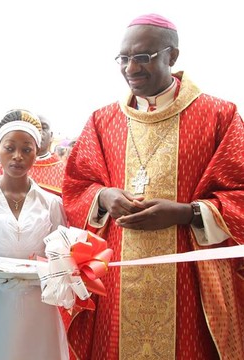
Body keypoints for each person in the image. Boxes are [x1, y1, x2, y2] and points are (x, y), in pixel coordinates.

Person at [63, 14, 244, 359]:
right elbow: (76, 185)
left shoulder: (219, 115)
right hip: (115, 279)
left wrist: (187, 213)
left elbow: (241, 193)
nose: (131, 67)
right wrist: (104, 197)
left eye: (143, 57)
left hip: (189, 278)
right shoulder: (103, 121)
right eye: (124, 58)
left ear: (171, 56)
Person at [0, 109, 69, 360]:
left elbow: (64, 260)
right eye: (10, 148)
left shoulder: (51, 204)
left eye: (26, 149)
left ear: (37, 151)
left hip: (39, 307)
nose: (17, 157)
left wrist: (48, 275)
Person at [0, 114, 66, 197]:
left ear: (51, 135)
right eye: (10, 148)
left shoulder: (63, 172)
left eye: (43, 127)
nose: (17, 157)